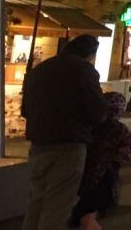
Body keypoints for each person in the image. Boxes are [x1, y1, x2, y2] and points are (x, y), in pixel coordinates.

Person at [21, 35, 108, 230]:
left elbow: (25, 110)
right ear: (90, 54)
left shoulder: (40, 70)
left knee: (36, 202)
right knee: (57, 205)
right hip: (69, 145)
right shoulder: (84, 71)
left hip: (39, 144)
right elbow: (98, 112)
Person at [70, 92, 131, 230]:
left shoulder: (91, 127)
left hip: (87, 171)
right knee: (91, 209)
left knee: (86, 208)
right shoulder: (119, 130)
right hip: (104, 174)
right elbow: (130, 146)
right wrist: (116, 161)